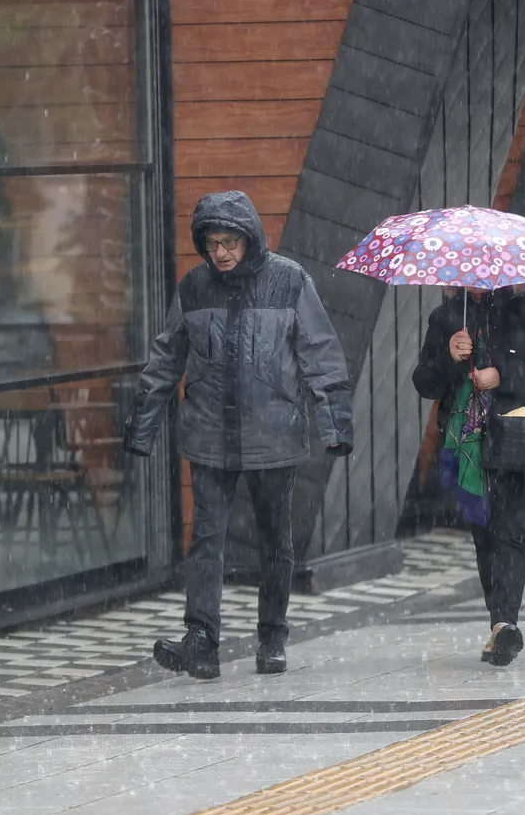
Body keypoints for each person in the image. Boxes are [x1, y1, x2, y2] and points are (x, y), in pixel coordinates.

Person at [123, 191, 353, 680]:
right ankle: (201, 640)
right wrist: (141, 426)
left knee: (275, 540)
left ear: (249, 239)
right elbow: (166, 359)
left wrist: (336, 426)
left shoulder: (290, 282)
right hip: (208, 434)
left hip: (274, 435)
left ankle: (272, 636)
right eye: (212, 243)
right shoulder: (193, 287)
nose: (221, 253)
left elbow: (321, 356)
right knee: (207, 540)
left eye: (230, 242)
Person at [412, 286, 525, 666]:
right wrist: (449, 358)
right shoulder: (448, 317)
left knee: (509, 532)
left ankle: (504, 622)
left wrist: (502, 375)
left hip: (518, 441)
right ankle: (500, 625)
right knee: (484, 536)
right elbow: (424, 382)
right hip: (466, 448)